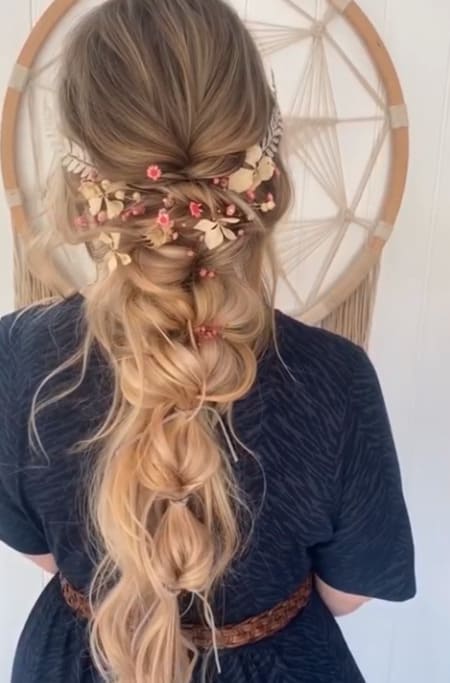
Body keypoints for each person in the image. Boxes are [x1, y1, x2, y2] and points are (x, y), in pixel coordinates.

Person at [0, 0, 415, 681]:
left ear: (81, 187)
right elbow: (351, 591)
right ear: (265, 175)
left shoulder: (19, 355)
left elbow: (35, 546)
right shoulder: (335, 378)